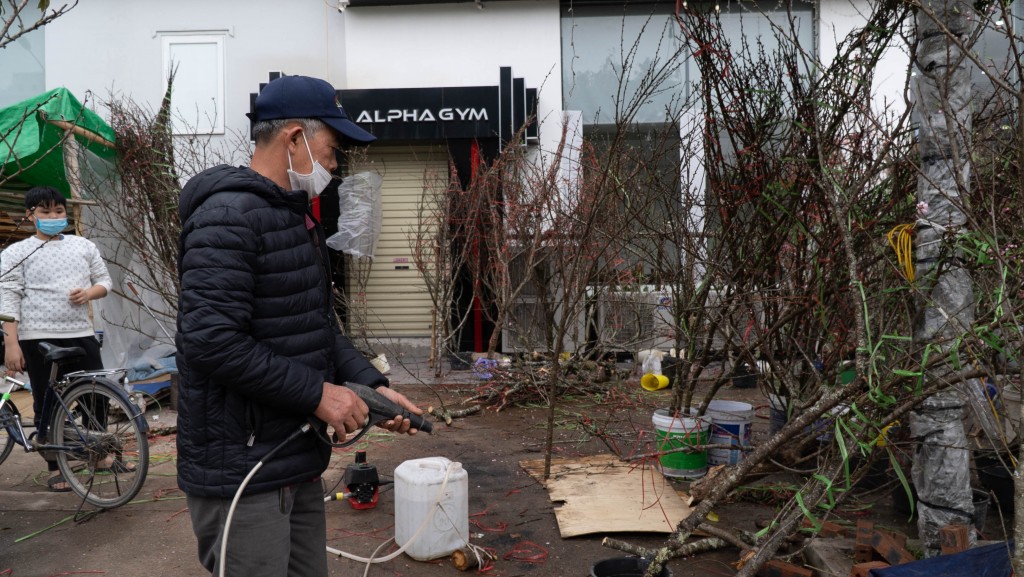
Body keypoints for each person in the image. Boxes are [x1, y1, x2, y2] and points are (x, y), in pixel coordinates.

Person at [175, 74, 424, 577]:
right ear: (294, 138)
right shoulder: (228, 216)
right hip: (243, 466)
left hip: (293, 457)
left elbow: (317, 328)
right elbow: (211, 342)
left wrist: (373, 387)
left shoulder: (292, 218)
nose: (334, 166)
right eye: (331, 150)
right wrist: (318, 394)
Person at [0, 185, 113, 492]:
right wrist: (12, 343)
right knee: (47, 401)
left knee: (96, 396)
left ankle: (99, 456)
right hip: (38, 338)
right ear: (30, 216)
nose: (53, 216)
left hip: (81, 334)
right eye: (45, 212)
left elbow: (105, 281)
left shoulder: (83, 246)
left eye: (59, 211)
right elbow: (8, 299)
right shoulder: (16, 252)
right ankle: (56, 466)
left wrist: (89, 293)